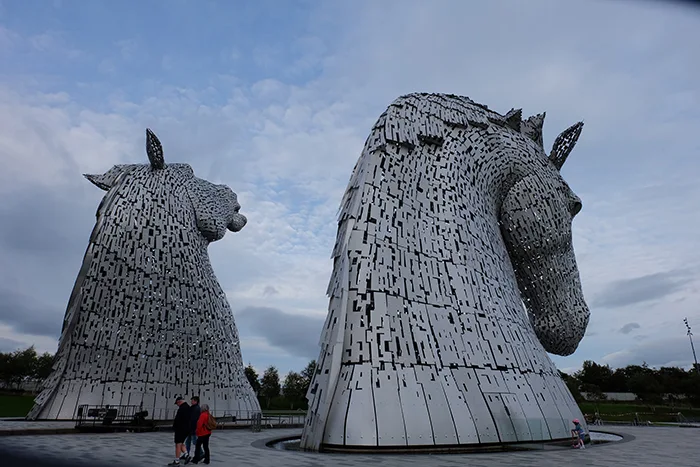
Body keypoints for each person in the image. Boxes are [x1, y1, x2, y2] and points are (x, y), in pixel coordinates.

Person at [169, 397, 191, 466]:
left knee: (178, 444)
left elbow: (178, 419)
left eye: (177, 403)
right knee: (181, 443)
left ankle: (177, 461)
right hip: (186, 429)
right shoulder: (188, 407)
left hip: (180, 429)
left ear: (179, 402)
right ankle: (186, 454)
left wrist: (174, 427)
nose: (177, 405)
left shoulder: (182, 408)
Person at [184, 396, 203, 463]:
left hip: (193, 429)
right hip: (190, 429)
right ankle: (186, 454)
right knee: (188, 442)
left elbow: (194, 420)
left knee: (195, 442)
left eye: (192, 400)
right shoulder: (193, 408)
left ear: (195, 401)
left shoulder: (196, 409)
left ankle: (201, 453)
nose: (191, 401)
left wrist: (192, 428)